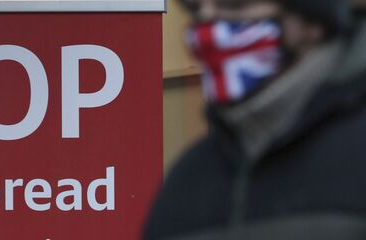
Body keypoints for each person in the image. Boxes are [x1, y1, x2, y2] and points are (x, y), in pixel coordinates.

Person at [144, 0, 366, 239]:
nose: (209, 25)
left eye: (233, 6)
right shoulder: (184, 186)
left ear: (311, 23)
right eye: (197, 10)